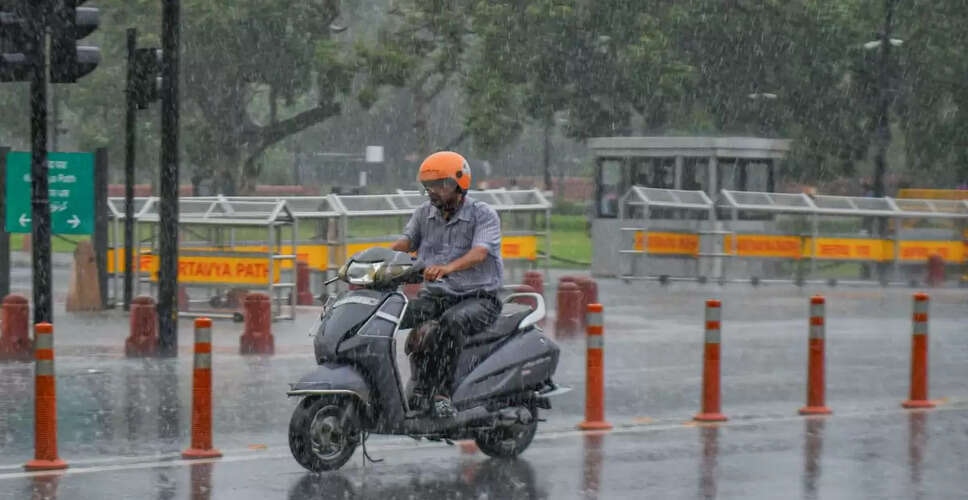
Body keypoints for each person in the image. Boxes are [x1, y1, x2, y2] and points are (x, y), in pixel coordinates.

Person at [391, 151, 504, 418]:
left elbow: (480, 253)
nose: (432, 191)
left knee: (451, 323)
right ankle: (415, 386)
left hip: (479, 298)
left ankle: (443, 393)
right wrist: (378, 260)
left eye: (440, 185)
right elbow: (406, 242)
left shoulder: (483, 215)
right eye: (428, 185)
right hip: (438, 296)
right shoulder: (423, 214)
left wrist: (447, 268)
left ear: (459, 183)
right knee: (393, 315)